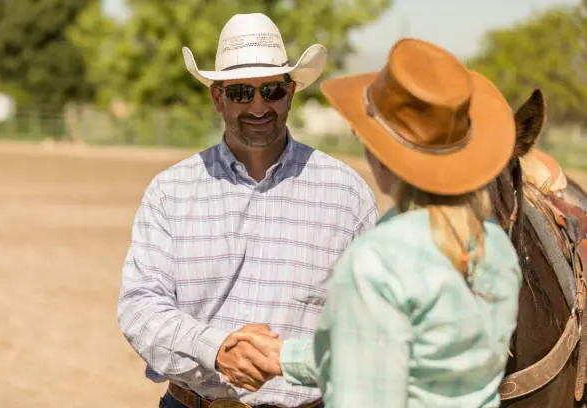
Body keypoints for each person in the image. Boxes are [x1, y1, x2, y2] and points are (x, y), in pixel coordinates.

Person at [223, 38, 523, 407]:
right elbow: (408, 357)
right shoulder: (494, 245)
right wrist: (284, 358)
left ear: (379, 152)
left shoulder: (378, 260)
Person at [116, 12, 379, 408]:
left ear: (290, 93)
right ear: (217, 98)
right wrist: (216, 349)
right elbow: (140, 306)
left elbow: (370, 321)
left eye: (271, 90)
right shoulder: (171, 192)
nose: (258, 106)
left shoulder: (347, 194)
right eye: (241, 92)